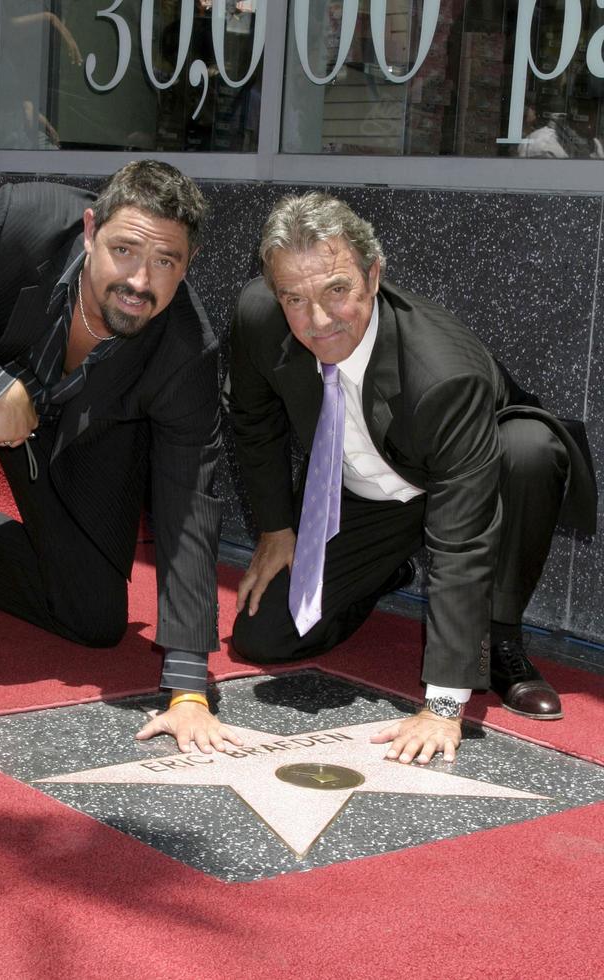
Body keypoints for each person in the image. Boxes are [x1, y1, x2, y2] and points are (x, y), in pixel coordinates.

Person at [0, 161, 241, 755]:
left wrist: (188, 686)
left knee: (94, 623)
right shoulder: (24, 217)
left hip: (83, 440)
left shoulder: (188, 348)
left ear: (187, 266)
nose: (140, 281)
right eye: (124, 250)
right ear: (90, 229)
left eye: (166, 262)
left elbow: (190, 500)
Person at [225, 192, 597, 765]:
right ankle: (386, 570)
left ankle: (499, 638)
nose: (317, 319)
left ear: (373, 275)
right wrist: (277, 529)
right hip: (367, 491)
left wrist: (445, 704)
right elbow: (253, 421)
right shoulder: (257, 315)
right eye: (294, 298)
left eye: (336, 290)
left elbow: (464, 538)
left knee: (529, 450)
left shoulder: (442, 374)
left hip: (477, 479)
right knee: (263, 637)